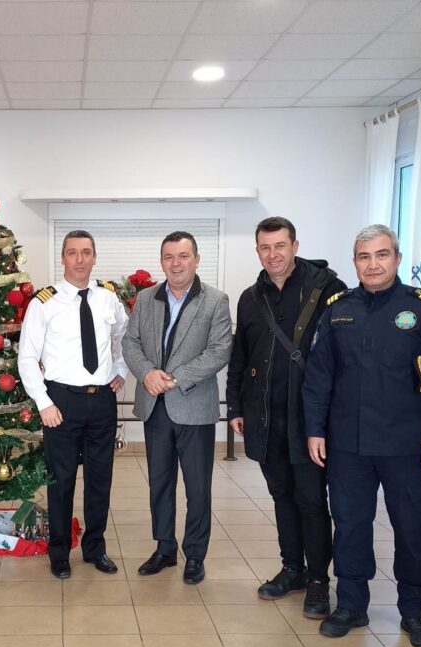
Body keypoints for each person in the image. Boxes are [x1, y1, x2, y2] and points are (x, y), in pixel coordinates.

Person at [303, 224, 421, 647]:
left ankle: (416, 612)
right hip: (348, 445)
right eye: (364, 256)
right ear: (354, 262)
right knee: (350, 526)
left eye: (381, 254)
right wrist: (315, 429)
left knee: (411, 529)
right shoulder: (338, 309)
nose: (372, 264)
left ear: (397, 258)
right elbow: (318, 377)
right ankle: (351, 605)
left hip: (407, 446)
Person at [226, 217, 345, 615]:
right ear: (257, 251)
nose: (273, 254)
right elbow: (240, 356)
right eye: (265, 247)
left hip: (309, 421)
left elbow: (341, 358)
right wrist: (235, 406)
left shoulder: (327, 290)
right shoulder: (250, 298)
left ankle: (318, 580)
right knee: (281, 496)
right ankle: (293, 568)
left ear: (295, 245)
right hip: (265, 417)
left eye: (280, 245)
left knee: (311, 499)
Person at [18, 230, 128, 579]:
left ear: (94, 257)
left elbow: (124, 337)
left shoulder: (109, 297)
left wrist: (121, 369)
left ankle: (95, 549)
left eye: (86, 252)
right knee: (61, 480)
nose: (79, 260)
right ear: (62, 258)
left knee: (100, 479)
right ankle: (60, 552)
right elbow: (26, 357)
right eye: (72, 253)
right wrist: (43, 403)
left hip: (102, 400)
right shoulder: (43, 302)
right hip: (61, 402)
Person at [123, 231, 231, 585]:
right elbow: (130, 342)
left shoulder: (215, 301)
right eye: (169, 257)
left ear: (196, 260)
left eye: (183, 256)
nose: (176, 263)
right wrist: (146, 373)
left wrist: (175, 378)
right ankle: (165, 548)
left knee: (198, 488)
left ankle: (195, 554)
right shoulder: (146, 298)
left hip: (194, 406)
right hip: (155, 406)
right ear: (161, 262)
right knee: (160, 483)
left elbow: (219, 351)